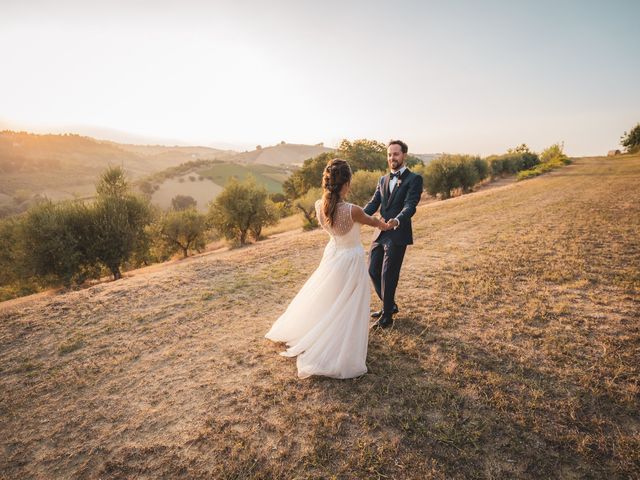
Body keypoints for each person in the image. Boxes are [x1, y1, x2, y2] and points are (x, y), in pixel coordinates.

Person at [265, 159, 392, 379]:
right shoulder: (354, 210)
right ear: (347, 183)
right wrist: (388, 224)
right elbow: (375, 222)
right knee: (350, 302)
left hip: (333, 255)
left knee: (331, 298)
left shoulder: (318, 206)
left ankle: (323, 332)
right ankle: (338, 343)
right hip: (351, 259)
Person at [364, 140, 423, 329]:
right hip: (380, 232)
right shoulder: (382, 179)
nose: (392, 158)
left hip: (398, 233)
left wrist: (397, 220)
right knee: (373, 270)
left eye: (395, 154)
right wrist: (356, 215)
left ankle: (387, 316)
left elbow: (410, 205)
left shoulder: (414, 179)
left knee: (388, 274)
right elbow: (374, 204)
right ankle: (389, 305)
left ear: (404, 155)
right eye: (389, 155)